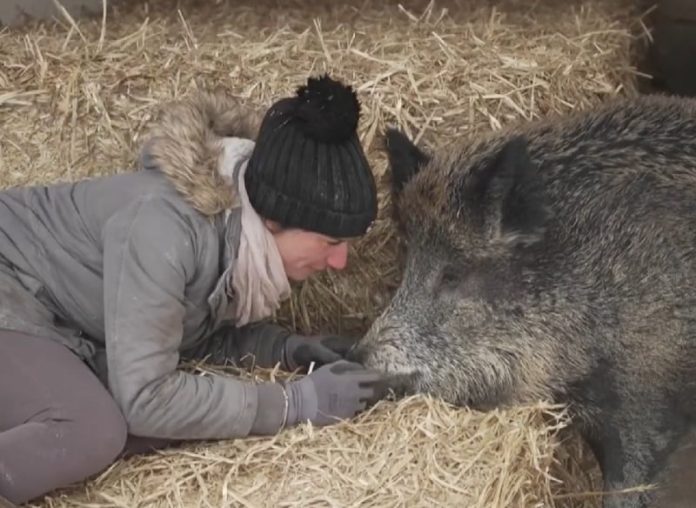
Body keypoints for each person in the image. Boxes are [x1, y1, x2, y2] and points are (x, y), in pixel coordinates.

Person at [0, 74, 388, 505]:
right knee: (91, 428)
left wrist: (288, 350)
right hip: (10, 286)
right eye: (331, 241)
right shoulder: (164, 230)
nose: (340, 262)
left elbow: (185, 332)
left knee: (133, 421)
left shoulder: (236, 234)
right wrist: (292, 404)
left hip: (49, 315)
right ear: (275, 220)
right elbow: (147, 397)